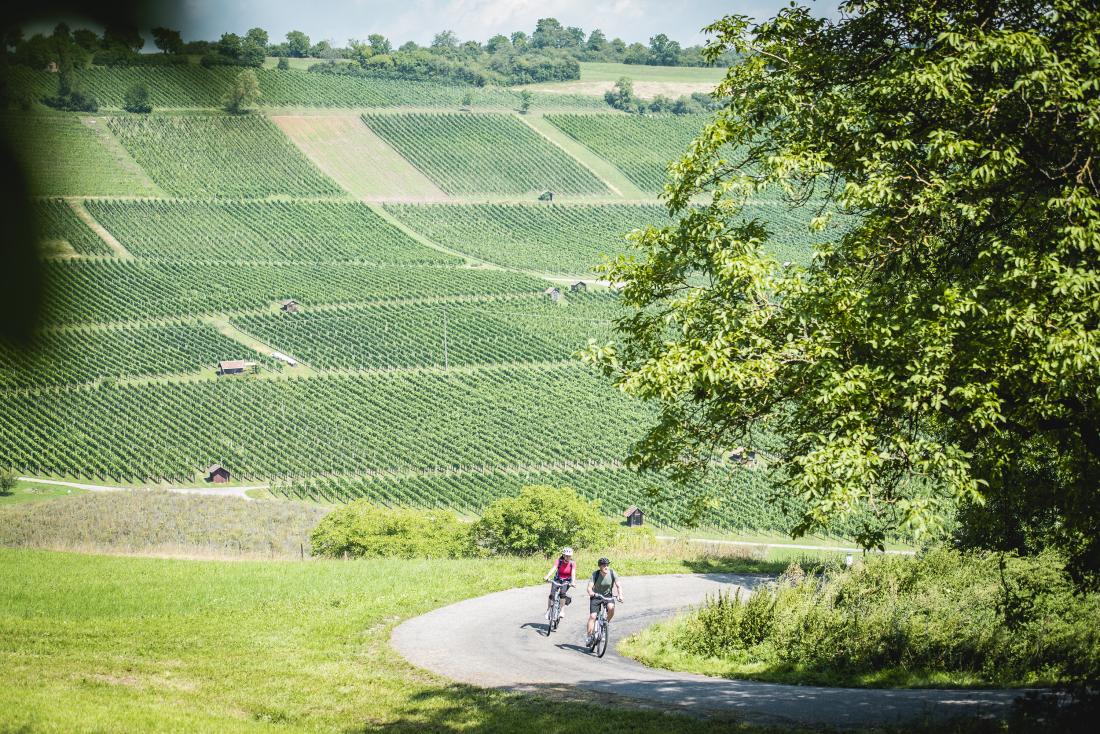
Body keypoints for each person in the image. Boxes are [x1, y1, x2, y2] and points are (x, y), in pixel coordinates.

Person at [586, 557, 622, 643]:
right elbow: (589, 587)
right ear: (600, 567)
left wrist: (620, 595)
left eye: (607, 565)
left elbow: (618, 585)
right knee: (593, 616)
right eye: (604, 565)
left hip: (607, 595)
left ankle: (605, 624)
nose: (606, 567)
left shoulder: (612, 573)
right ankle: (589, 636)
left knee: (611, 607)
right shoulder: (596, 574)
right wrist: (591, 592)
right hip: (596, 596)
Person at [544, 547, 576, 621]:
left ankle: (562, 611)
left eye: (569, 556)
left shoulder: (572, 563)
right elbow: (554, 568)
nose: (568, 557)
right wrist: (547, 576)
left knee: (562, 593)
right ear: (563, 555)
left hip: (567, 580)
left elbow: (573, 573)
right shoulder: (559, 561)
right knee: (552, 594)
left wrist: (573, 582)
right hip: (557, 579)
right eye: (566, 555)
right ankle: (548, 610)